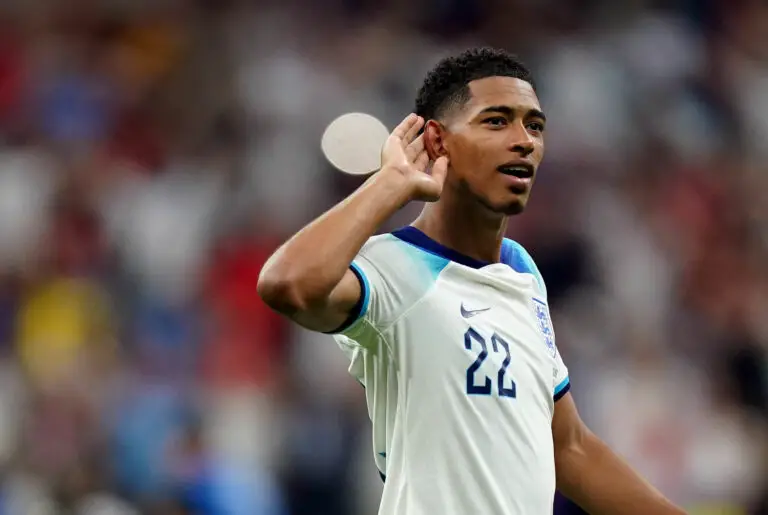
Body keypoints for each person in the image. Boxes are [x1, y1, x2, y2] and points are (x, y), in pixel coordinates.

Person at [258, 47, 686, 515]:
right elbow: (287, 284)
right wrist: (390, 182)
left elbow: (569, 447)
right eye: (497, 121)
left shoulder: (521, 271)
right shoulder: (392, 265)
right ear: (437, 141)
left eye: (535, 126)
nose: (524, 141)